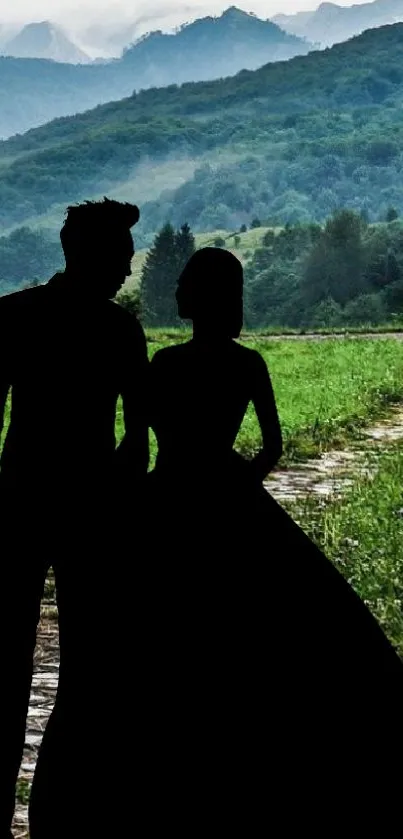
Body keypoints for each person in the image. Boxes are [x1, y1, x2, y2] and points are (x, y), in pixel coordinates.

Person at [142, 247, 403, 831]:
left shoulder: (164, 364)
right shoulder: (249, 363)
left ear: (197, 296)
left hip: (169, 500)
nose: (178, 288)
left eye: (185, 281)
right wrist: (237, 490)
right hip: (232, 500)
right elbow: (272, 447)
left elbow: (141, 440)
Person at [0, 197, 149, 838]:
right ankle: (68, 810)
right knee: (90, 661)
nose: (127, 266)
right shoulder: (119, 330)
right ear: (93, 254)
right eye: (121, 255)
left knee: (6, 653)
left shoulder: (16, 315)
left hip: (20, 496)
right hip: (93, 504)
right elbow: (137, 437)